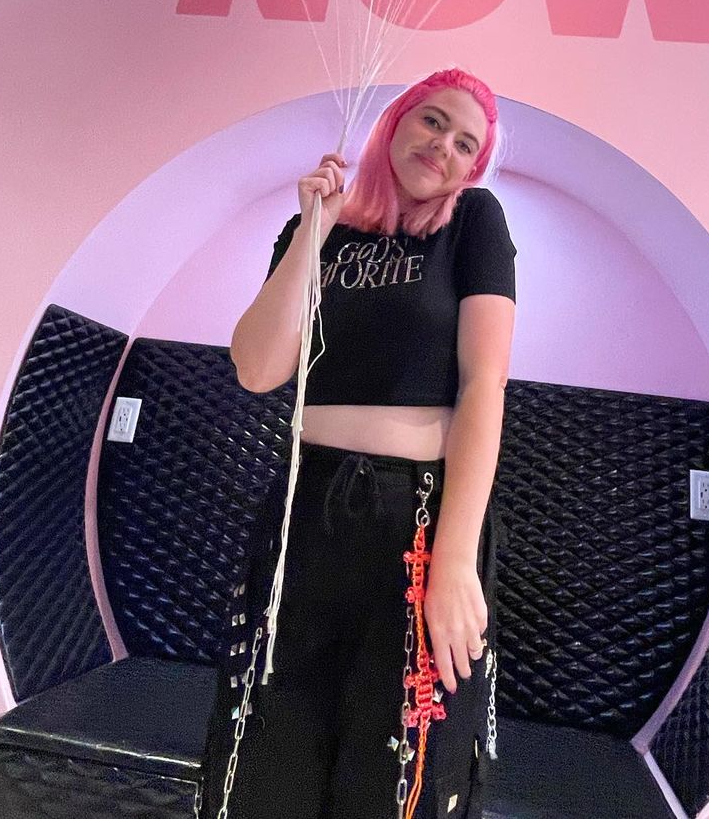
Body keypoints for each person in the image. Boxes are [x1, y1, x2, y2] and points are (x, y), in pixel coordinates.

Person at [198, 67, 518, 819]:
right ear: (397, 120)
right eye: (433, 120)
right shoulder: (318, 224)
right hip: (305, 503)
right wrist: (312, 228)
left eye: (466, 143)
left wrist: (454, 559)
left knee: (396, 763)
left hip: (418, 513)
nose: (444, 146)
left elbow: (484, 386)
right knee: (269, 742)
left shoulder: (474, 221)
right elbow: (257, 368)